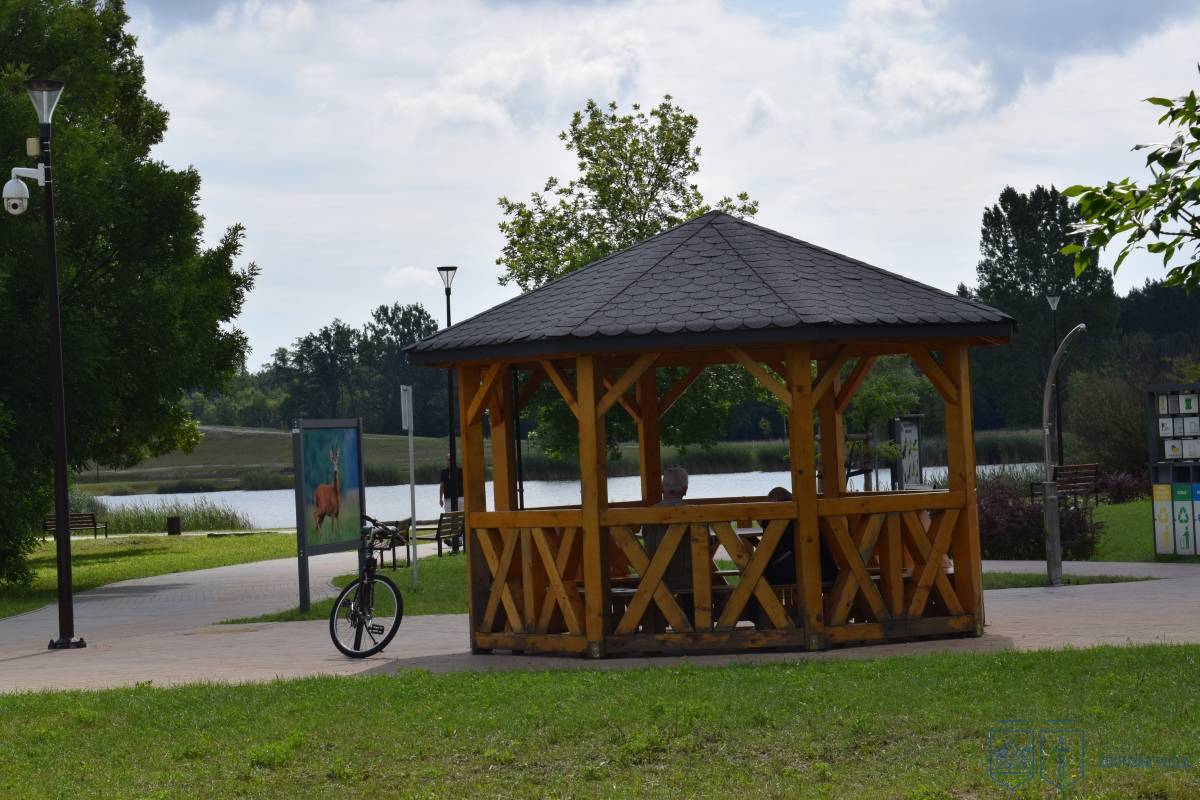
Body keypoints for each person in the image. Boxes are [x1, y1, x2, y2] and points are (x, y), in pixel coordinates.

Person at [761, 486, 837, 586]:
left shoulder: (776, 518)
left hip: (792, 573)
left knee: (761, 574)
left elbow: (768, 545)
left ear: (775, 500)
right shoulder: (809, 512)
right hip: (826, 570)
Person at [641, 466, 696, 594]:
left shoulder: (648, 515)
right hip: (690, 580)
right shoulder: (696, 515)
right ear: (685, 490)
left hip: (657, 580)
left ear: (662, 488)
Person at [439, 454, 464, 552]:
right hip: (448, 499)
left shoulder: (460, 471)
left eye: (451, 459)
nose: (450, 461)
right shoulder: (444, 472)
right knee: (449, 518)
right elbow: (442, 486)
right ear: (446, 461)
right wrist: (440, 499)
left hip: (460, 498)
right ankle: (452, 538)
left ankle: (459, 540)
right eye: (448, 460)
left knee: (460, 519)